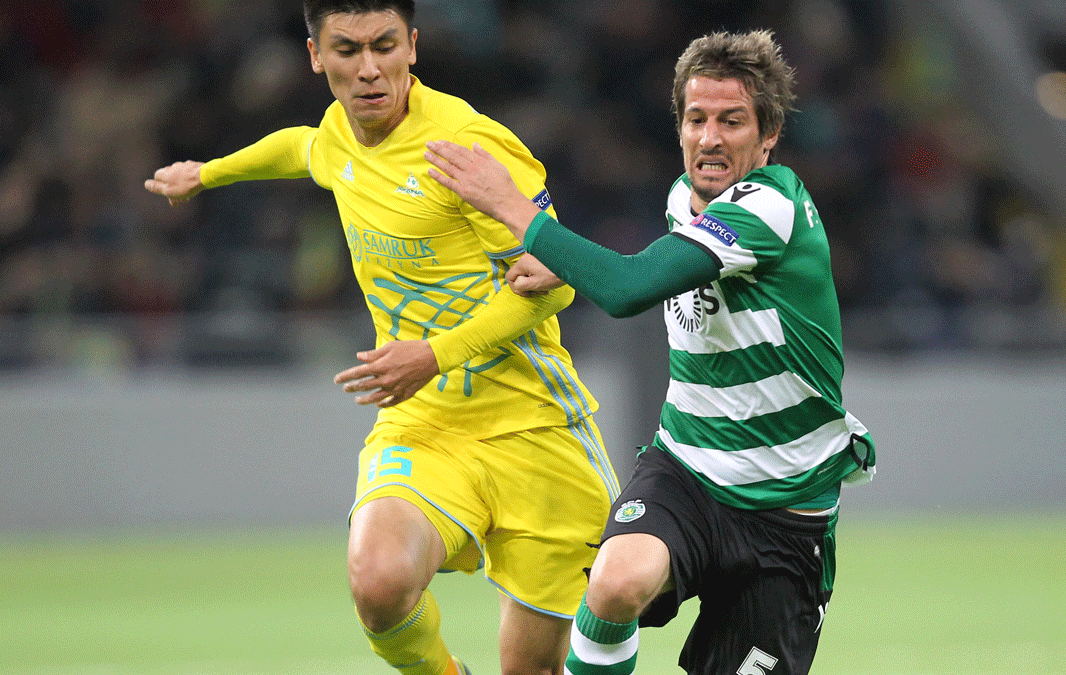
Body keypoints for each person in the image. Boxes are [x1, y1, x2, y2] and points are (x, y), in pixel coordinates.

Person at [143, 2, 620, 675]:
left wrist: (433, 354)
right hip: (423, 425)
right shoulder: (340, 133)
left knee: (532, 669)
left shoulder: (467, 145)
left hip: (533, 426)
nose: (368, 69)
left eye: (384, 45)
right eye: (346, 49)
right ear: (316, 56)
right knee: (377, 579)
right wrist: (209, 173)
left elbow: (561, 282)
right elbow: (302, 147)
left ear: (412, 47)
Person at [425, 29, 876, 675]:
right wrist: (573, 266)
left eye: (732, 121)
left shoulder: (772, 205)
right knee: (615, 581)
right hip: (688, 470)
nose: (710, 138)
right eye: (697, 119)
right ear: (680, 124)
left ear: (769, 135)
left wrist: (508, 204)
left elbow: (628, 288)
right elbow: (648, 267)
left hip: (786, 509)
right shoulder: (682, 199)